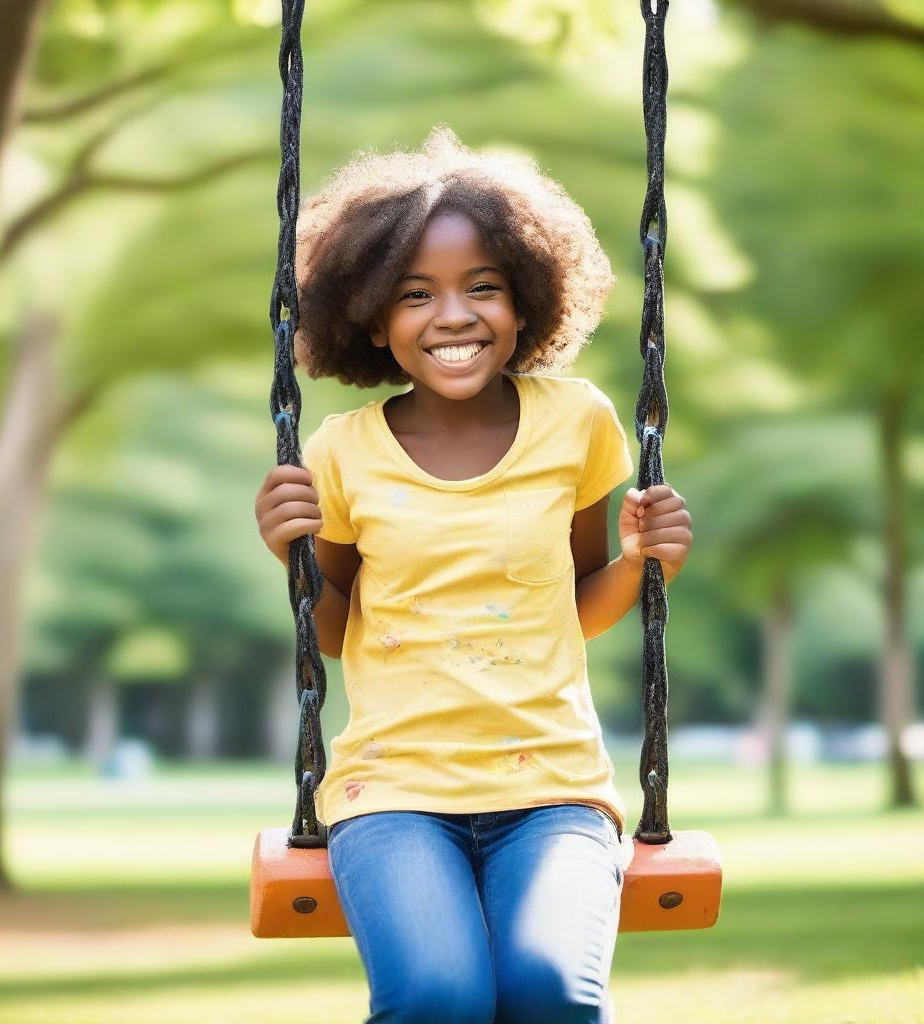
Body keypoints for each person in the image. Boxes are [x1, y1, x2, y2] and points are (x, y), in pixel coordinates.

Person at [254, 125, 693, 1024]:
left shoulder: (577, 423)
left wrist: (647, 566)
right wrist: (291, 560)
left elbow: (572, 605)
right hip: (395, 791)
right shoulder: (343, 454)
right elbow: (337, 632)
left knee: (549, 988)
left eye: (481, 287)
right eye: (415, 295)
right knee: (436, 997)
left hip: (553, 789)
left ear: (527, 301)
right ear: (372, 318)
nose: (452, 316)